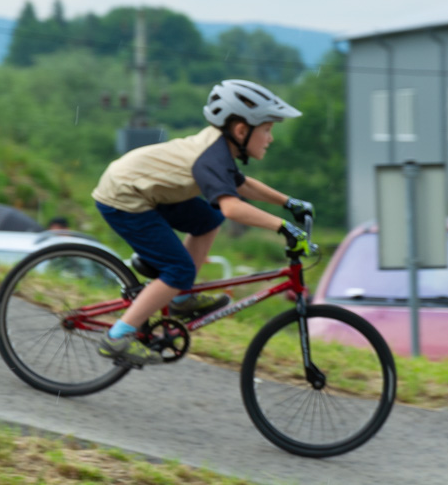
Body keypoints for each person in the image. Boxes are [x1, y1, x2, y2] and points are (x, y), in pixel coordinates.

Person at [91, 79, 314, 366]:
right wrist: (283, 227)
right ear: (241, 130)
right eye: (268, 129)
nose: (270, 138)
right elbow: (233, 207)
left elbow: (241, 184)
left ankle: (179, 299)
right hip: (124, 196)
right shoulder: (211, 157)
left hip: (148, 190)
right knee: (179, 268)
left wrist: (289, 203)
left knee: (209, 219)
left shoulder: (221, 149)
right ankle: (117, 337)